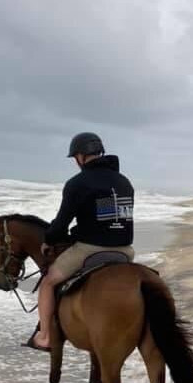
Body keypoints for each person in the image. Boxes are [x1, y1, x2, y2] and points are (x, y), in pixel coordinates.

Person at [26, 132, 135, 351]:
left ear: (80, 156)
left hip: (90, 249)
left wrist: (48, 240)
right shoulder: (124, 181)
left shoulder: (78, 183)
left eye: (75, 157)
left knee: (48, 282)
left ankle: (45, 336)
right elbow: (111, 217)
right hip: (126, 250)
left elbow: (62, 223)